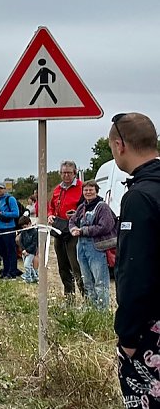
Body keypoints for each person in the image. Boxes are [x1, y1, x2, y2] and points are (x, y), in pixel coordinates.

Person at [107, 113, 160, 405]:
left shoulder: (139, 197)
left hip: (151, 331)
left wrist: (127, 337)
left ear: (120, 145)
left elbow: (135, 271)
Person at [67, 180, 115, 308]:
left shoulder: (102, 207)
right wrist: (72, 229)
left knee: (100, 281)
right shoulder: (82, 207)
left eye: (91, 190)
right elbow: (72, 221)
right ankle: (91, 309)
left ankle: (102, 312)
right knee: (87, 281)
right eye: (86, 190)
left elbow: (105, 226)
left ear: (96, 191)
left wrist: (83, 230)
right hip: (81, 246)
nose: (88, 192)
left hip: (96, 247)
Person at [47, 160, 85, 298]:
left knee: (75, 265)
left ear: (75, 173)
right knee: (62, 265)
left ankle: (85, 296)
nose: (66, 176)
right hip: (59, 229)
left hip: (74, 230)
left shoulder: (82, 187)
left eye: (69, 173)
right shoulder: (58, 189)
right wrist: (50, 215)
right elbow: (51, 206)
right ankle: (69, 296)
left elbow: (88, 206)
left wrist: (76, 214)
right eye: (63, 173)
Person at [0, 182, 20, 279]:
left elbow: (16, 213)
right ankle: (5, 270)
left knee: (11, 251)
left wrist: (2, 214)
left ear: (5, 189)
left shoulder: (10, 199)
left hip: (8, 228)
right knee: (3, 252)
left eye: (1, 188)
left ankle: (12, 272)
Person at [18, 216, 38, 283]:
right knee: (29, 266)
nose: (24, 228)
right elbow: (20, 241)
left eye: (25, 226)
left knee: (26, 265)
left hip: (31, 252)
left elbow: (34, 243)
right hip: (24, 252)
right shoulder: (23, 232)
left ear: (29, 223)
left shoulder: (34, 232)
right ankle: (34, 277)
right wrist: (23, 250)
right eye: (22, 227)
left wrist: (28, 251)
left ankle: (28, 279)